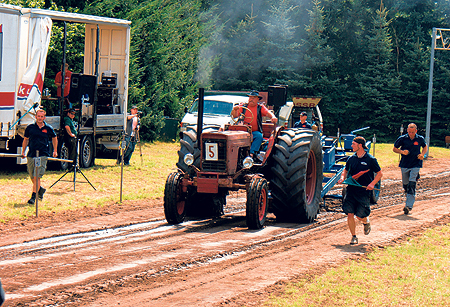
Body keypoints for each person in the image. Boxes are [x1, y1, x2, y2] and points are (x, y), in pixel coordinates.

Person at [338, 136, 382, 245]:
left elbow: (380, 174)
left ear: (360, 145)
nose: (351, 146)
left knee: (360, 216)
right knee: (350, 214)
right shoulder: (351, 159)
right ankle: (353, 236)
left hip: (363, 191)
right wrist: (343, 178)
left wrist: (372, 184)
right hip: (351, 190)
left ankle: (366, 222)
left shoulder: (371, 159)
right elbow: (345, 170)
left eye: (353, 144)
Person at [21, 109, 58, 205]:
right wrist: (23, 151)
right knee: (32, 175)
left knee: (36, 175)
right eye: (39, 116)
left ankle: (33, 197)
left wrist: (55, 150)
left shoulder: (48, 128)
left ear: (44, 118)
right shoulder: (30, 128)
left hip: (42, 154)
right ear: (35, 117)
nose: (40, 118)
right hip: (31, 154)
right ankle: (40, 189)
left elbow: (54, 138)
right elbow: (26, 139)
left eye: (42, 117)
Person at [231, 90, 277, 160]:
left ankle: (251, 154)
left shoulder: (260, 107)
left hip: (254, 132)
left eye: (253, 98)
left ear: (258, 99)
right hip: (242, 131)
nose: (251, 99)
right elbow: (234, 116)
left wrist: (273, 117)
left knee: (259, 136)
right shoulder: (243, 106)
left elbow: (268, 113)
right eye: (250, 98)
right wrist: (235, 110)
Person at [393, 123, 428, 215]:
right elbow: (394, 149)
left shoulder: (420, 139)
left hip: (416, 164)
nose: (411, 134)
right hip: (404, 164)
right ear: (407, 131)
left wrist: (422, 154)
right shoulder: (402, 138)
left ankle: (408, 206)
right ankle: (406, 190)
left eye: (412, 132)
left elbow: (425, 146)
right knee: (406, 184)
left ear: (416, 131)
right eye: (409, 132)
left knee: (412, 184)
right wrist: (402, 152)